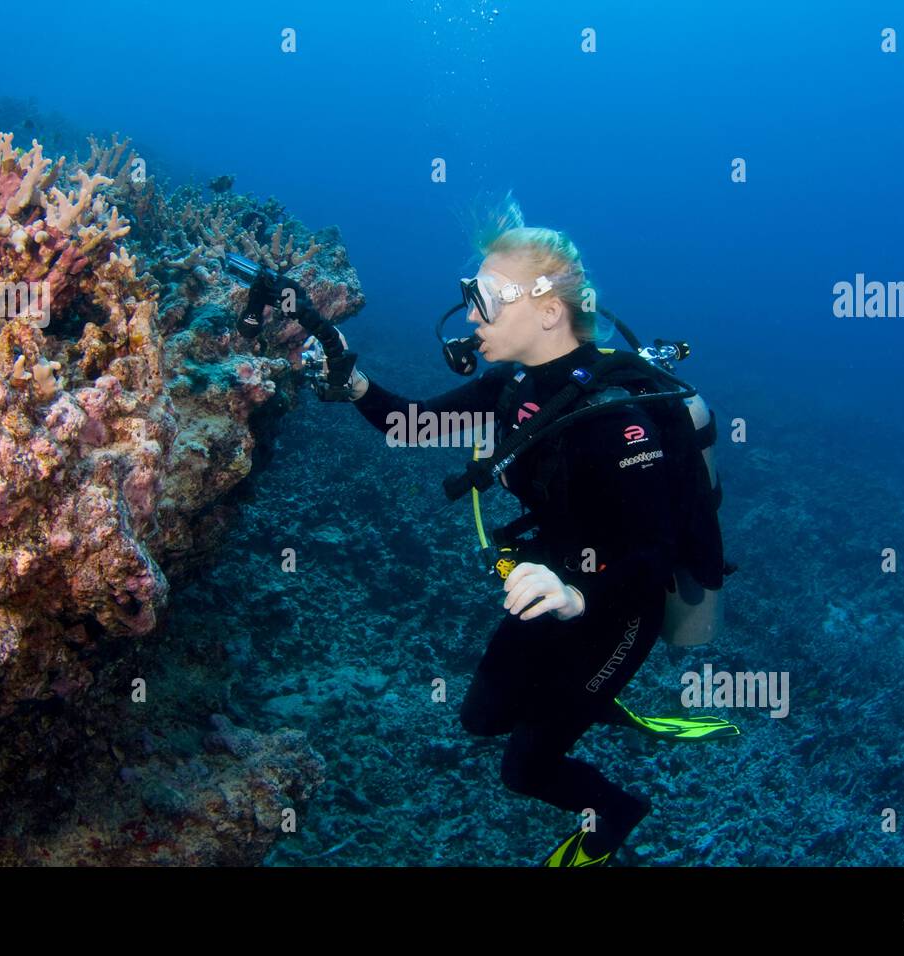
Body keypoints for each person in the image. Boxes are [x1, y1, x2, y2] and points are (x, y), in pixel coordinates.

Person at [306, 224, 728, 866]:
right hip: (547, 582)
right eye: (470, 293)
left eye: (488, 297)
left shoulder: (617, 416)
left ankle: (617, 809)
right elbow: (413, 426)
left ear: (550, 311)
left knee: (525, 770)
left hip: (616, 605)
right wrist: (354, 380)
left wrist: (576, 595)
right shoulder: (518, 385)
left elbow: (653, 555)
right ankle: (592, 702)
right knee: (479, 718)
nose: (470, 314)